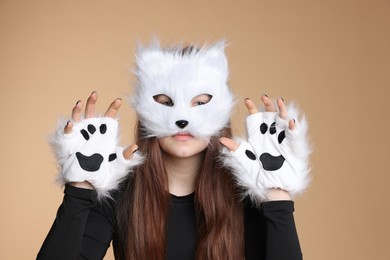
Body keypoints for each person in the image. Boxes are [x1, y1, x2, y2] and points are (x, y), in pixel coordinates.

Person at [37, 39, 311, 260]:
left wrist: (277, 197)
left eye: (200, 102)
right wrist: (80, 188)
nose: (183, 118)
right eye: (165, 102)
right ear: (145, 111)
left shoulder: (245, 194)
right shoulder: (119, 194)